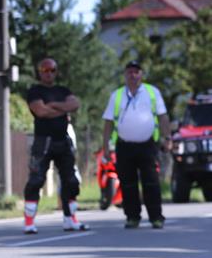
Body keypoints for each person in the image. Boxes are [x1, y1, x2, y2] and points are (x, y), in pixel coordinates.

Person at [101, 60, 171, 229]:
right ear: (125, 75)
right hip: (124, 145)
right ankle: (132, 217)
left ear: (141, 74)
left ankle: (156, 217)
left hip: (147, 144)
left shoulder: (152, 92)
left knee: (151, 182)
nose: (133, 75)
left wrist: (167, 138)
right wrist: (105, 147)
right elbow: (108, 122)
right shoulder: (116, 95)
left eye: (136, 72)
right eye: (129, 72)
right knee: (128, 183)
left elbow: (163, 117)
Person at [22, 58, 88, 234]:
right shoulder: (35, 91)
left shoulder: (62, 90)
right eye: (45, 70)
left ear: (56, 71)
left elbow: (75, 104)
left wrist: (54, 105)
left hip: (63, 141)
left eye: (52, 70)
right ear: (40, 72)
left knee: (71, 181)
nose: (49, 73)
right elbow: (40, 111)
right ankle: (29, 222)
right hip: (43, 142)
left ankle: (70, 219)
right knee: (36, 180)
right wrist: (62, 110)